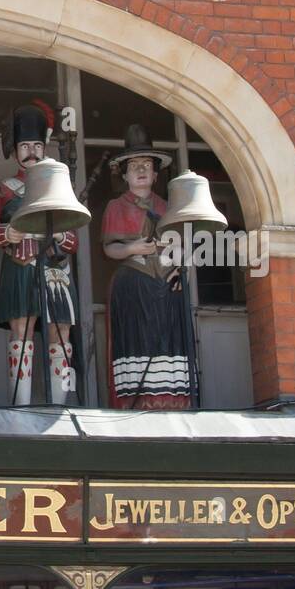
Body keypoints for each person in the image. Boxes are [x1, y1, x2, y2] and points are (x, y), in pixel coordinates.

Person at [0, 101, 78, 405]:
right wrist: (7, 233)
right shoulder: (0, 190)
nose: (32, 151)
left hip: (53, 267)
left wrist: (62, 234)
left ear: (45, 147)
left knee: (60, 331)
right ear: (15, 149)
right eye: (25, 145)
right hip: (19, 263)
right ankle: (19, 406)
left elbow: (74, 239)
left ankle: (59, 405)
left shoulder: (59, 186)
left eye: (37, 145)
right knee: (21, 329)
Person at [101, 123, 189, 410]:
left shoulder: (168, 207)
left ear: (155, 173)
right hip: (134, 285)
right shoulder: (116, 206)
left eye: (147, 165)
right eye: (134, 165)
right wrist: (132, 248)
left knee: (167, 343)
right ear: (124, 174)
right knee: (137, 344)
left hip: (166, 285)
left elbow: (182, 246)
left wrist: (179, 266)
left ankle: (170, 400)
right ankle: (138, 401)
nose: (141, 171)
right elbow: (109, 247)